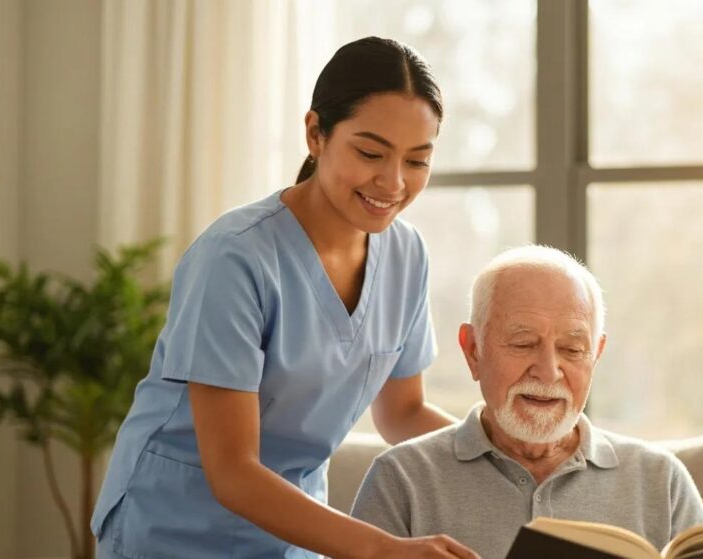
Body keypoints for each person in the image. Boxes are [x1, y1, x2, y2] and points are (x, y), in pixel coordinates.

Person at [92, 37, 479, 559]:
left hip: (292, 533)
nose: (393, 181)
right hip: (171, 530)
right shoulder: (234, 258)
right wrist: (383, 549)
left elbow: (402, 413)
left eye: (417, 160)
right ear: (316, 134)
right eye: (370, 153)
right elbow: (232, 472)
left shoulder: (406, 255)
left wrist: (499, 452)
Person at [350, 246, 703, 559]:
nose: (549, 372)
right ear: (473, 350)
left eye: (572, 349)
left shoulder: (662, 480)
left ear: (596, 355)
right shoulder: (400, 479)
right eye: (523, 344)